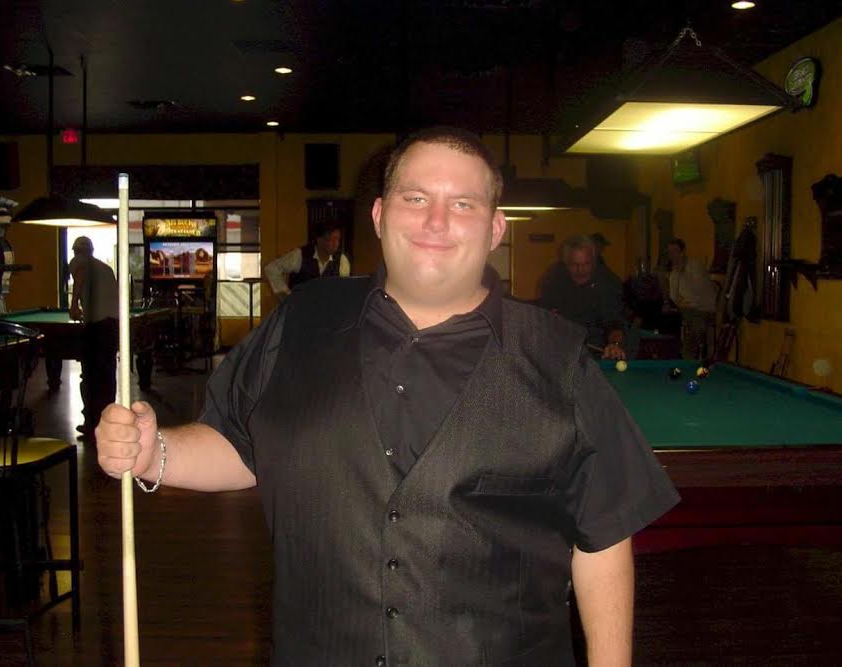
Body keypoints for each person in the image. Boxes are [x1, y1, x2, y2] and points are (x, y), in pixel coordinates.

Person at [96, 127, 678, 665]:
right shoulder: (301, 320)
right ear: (379, 215)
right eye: (415, 198)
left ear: (496, 229)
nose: (436, 221)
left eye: (464, 204)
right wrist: (153, 453)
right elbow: (239, 444)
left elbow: (604, 537)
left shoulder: (559, 358)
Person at [538, 235, 628, 359]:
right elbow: (544, 317)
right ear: (565, 263)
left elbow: (614, 323)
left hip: (599, 351)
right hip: (560, 350)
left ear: (594, 261)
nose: (580, 270)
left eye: (586, 264)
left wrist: (615, 345)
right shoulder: (553, 279)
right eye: (574, 264)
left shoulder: (608, 283)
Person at [68, 236, 118, 442]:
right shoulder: (106, 268)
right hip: (112, 326)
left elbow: (79, 275)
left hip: (96, 327)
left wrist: (73, 304)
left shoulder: (78, 261)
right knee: (107, 376)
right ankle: (107, 422)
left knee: (90, 377)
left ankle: (91, 424)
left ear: (77, 251)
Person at [263, 221, 350, 298]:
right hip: (301, 308)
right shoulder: (300, 255)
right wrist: (286, 295)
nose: (335, 244)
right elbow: (271, 269)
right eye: (331, 239)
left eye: (337, 239)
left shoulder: (341, 260)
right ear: (319, 239)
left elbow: (343, 289)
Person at [664, 238, 717, 359]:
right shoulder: (674, 273)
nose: (672, 255)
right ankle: (672, 354)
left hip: (704, 309)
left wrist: (684, 304)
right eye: (669, 252)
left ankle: (689, 357)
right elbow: (674, 299)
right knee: (666, 318)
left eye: (675, 251)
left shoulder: (695, 266)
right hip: (686, 310)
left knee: (694, 324)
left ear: (682, 252)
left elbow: (702, 294)